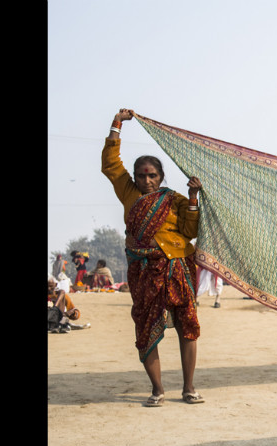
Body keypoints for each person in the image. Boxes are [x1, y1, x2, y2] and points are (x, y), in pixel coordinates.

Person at [102, 108, 205, 407]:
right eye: (142, 176)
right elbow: (110, 164)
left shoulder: (174, 199)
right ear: (134, 178)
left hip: (176, 267)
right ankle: (157, 390)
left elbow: (190, 230)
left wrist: (194, 199)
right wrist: (117, 125)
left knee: (187, 325)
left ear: (161, 177)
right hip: (144, 271)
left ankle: (189, 388)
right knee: (146, 328)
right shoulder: (129, 194)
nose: (147, 180)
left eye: (152, 175)